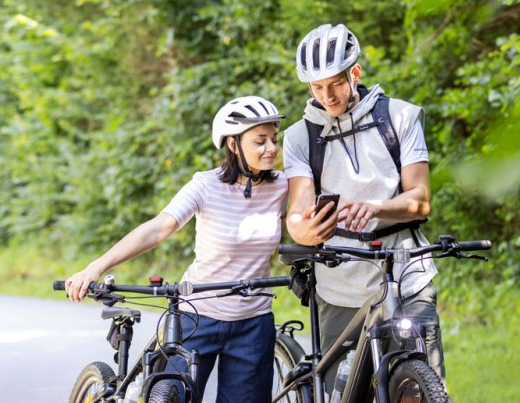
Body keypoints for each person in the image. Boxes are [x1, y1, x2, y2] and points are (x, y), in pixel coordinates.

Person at [64, 95, 287, 402]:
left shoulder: (282, 187)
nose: (272, 148)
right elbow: (159, 227)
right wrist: (95, 267)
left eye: (274, 139)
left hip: (254, 322)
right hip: (197, 316)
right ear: (234, 145)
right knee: (167, 396)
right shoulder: (205, 186)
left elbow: (303, 225)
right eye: (260, 141)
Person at [282, 23, 444, 389]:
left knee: (420, 386)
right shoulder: (299, 137)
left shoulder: (400, 117)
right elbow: (298, 210)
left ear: (355, 72)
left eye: (336, 83)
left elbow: (419, 200)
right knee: (343, 392)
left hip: (406, 277)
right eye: (317, 87)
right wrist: (305, 229)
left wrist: (374, 207)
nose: (328, 96)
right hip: (339, 284)